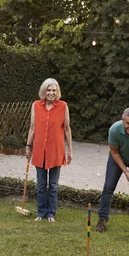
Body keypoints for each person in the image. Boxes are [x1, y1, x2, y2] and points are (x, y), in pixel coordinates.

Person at [25, 78, 73, 222]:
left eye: (54, 90)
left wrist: (70, 150)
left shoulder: (63, 106)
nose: (51, 93)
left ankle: (51, 213)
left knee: (53, 184)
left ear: (57, 92)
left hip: (55, 150)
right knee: (41, 184)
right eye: (49, 90)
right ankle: (41, 212)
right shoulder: (36, 105)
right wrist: (28, 146)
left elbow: (67, 129)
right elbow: (32, 128)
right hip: (39, 149)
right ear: (44, 91)